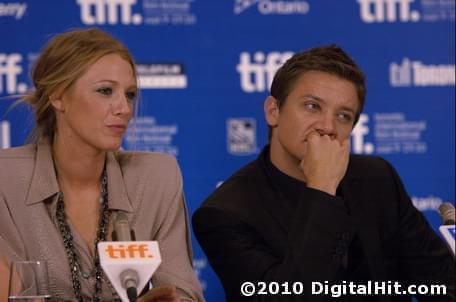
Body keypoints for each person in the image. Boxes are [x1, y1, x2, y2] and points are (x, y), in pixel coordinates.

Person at [192, 45, 455, 301]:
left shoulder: (378, 178)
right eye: (312, 106)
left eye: (343, 116)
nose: (328, 127)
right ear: (274, 112)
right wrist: (321, 187)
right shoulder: (224, 213)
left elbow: (442, 283)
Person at [0, 28, 203, 301]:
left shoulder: (157, 178)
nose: (125, 109)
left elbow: (184, 295)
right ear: (58, 97)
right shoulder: (6, 179)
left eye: (129, 94)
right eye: (105, 91)